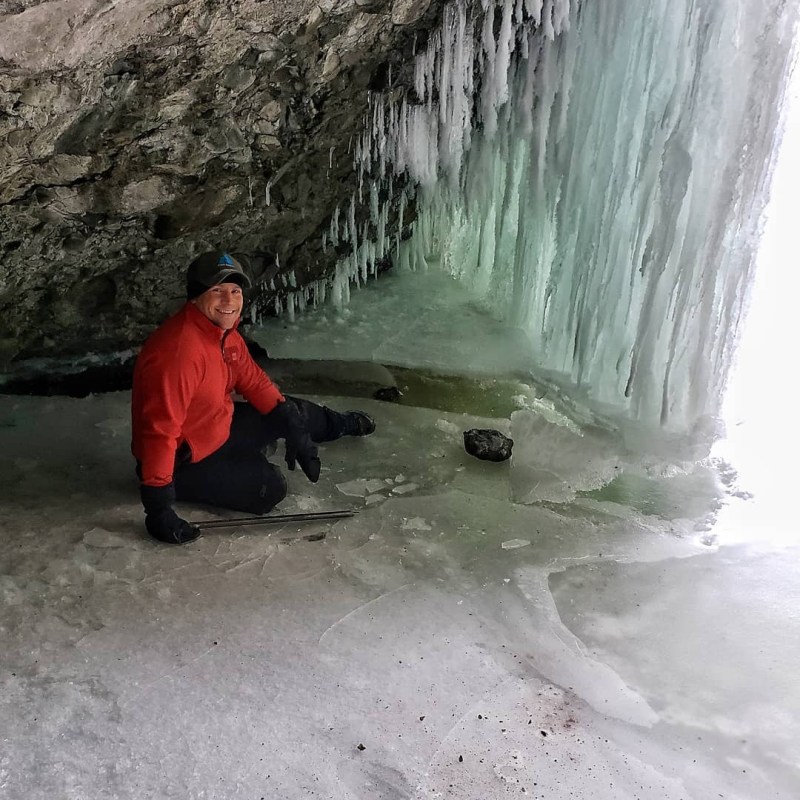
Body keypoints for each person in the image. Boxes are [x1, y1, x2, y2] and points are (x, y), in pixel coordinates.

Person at [131, 251, 375, 545]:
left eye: (235, 291)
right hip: (183, 461)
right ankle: (243, 460)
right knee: (269, 489)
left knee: (291, 412)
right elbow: (159, 431)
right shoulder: (179, 353)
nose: (229, 300)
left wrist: (295, 431)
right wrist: (158, 508)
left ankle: (337, 425)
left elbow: (254, 381)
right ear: (195, 297)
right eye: (217, 291)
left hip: (216, 427)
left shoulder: (222, 333)